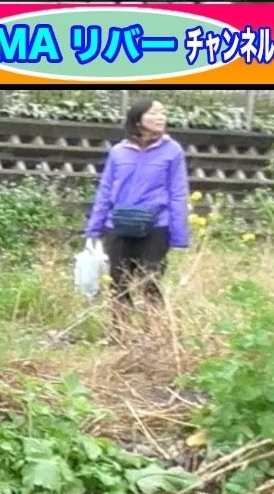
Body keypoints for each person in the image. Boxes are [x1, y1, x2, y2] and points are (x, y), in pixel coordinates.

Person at [84, 98, 189, 333]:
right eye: (154, 113)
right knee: (117, 282)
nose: (161, 117)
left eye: (163, 113)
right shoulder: (118, 152)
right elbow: (105, 190)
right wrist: (94, 228)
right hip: (119, 224)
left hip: (155, 225)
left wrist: (179, 235)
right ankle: (120, 333)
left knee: (149, 280)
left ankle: (156, 335)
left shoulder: (172, 151)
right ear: (138, 120)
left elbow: (178, 192)